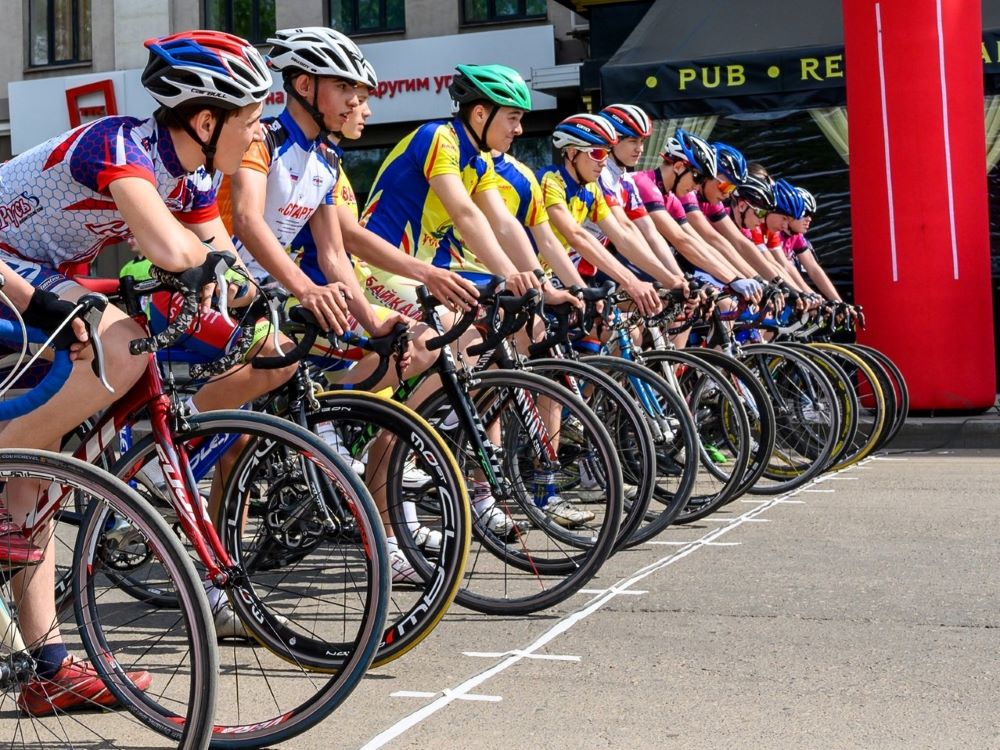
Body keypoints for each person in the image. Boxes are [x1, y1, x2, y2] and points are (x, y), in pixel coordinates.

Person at [0, 30, 273, 713]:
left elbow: (217, 257)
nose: (258, 130)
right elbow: (162, 243)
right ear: (207, 121)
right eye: (249, 118)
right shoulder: (118, 144)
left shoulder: (199, 176)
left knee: (49, 472)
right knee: (119, 344)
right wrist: (210, 271)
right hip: (6, 264)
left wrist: (260, 306)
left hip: (46, 278)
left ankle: (49, 665)